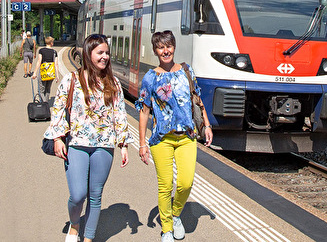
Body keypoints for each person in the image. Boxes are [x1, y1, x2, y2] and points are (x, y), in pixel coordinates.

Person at [44, 34, 130, 242]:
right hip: (77, 144)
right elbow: (58, 109)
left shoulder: (113, 83)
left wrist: (123, 144)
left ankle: (88, 237)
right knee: (78, 195)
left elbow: (119, 112)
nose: (105, 57)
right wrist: (57, 138)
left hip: (104, 144)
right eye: (100, 52)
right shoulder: (72, 79)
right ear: (88, 53)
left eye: (107, 53)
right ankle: (75, 225)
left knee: (95, 195)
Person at [136, 31, 213, 242]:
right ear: (155, 51)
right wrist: (142, 144)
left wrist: (206, 125)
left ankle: (176, 214)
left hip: (186, 136)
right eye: (161, 47)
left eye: (168, 46)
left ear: (174, 47)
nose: (165, 50)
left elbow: (197, 98)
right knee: (165, 186)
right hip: (162, 139)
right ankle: (167, 228)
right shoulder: (151, 78)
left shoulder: (186, 71)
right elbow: (144, 111)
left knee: (186, 183)